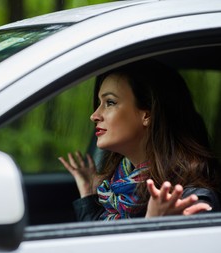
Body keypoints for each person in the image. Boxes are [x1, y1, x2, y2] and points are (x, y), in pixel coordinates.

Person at [59, 59, 221, 221]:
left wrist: (154, 225)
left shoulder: (190, 199)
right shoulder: (114, 189)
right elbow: (97, 244)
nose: (94, 115)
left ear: (148, 114)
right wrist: (88, 193)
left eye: (110, 102)